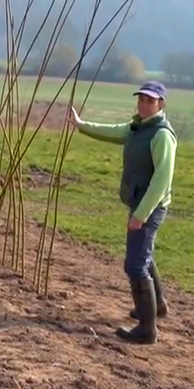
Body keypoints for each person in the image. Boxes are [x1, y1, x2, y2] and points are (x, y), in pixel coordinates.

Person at [67, 80, 177, 344]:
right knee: (144, 257)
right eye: (141, 99)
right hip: (139, 202)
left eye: (150, 100)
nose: (143, 104)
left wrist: (141, 214)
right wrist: (81, 125)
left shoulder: (161, 135)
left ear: (160, 104)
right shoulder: (137, 128)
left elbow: (162, 179)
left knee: (135, 265)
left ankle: (147, 329)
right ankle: (156, 306)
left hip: (149, 206)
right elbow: (113, 132)